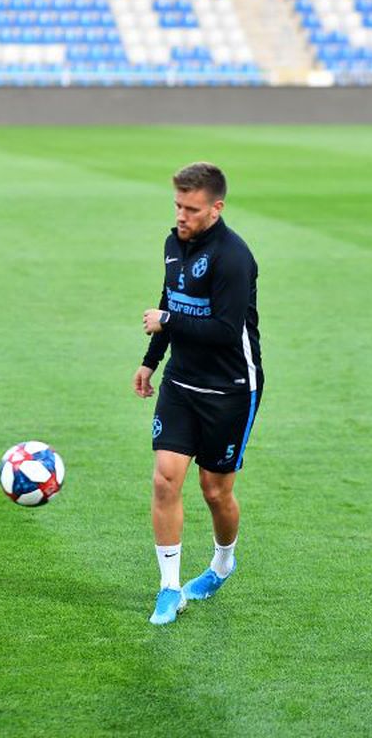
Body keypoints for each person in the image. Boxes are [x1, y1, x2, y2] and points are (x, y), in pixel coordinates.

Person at [133, 162, 263, 625]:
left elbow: (227, 331)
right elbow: (172, 299)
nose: (182, 216)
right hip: (181, 383)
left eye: (191, 209)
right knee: (165, 478)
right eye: (177, 206)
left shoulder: (233, 257)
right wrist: (153, 359)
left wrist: (167, 322)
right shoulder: (174, 244)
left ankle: (222, 563)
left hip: (230, 389)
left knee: (215, 491)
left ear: (216, 208)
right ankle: (168, 588)